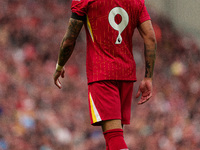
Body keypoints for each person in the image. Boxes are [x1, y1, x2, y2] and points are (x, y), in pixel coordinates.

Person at [53, 0, 156, 149]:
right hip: (126, 75)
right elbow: (150, 37)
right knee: (113, 138)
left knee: (114, 137)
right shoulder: (136, 1)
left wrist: (60, 65)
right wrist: (148, 77)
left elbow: (70, 38)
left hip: (102, 74)